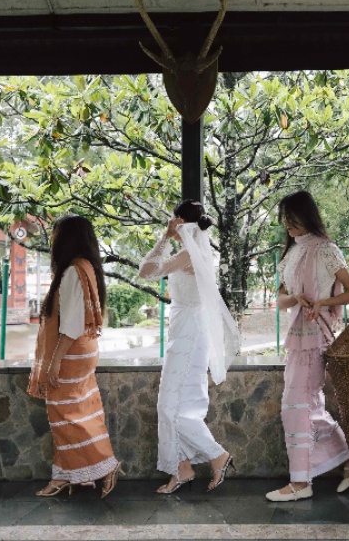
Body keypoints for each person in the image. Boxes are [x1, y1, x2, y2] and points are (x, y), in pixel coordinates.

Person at [139, 200, 241, 494]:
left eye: (174, 220)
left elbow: (146, 272)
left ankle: (216, 455)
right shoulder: (193, 251)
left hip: (190, 333)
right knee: (176, 405)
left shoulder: (187, 255)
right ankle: (183, 468)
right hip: (185, 329)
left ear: (180, 221)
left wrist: (163, 238)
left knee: (171, 406)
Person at [265, 190, 349, 502]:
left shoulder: (326, 250)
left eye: (292, 218)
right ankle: (346, 458)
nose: (287, 224)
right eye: (285, 219)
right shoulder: (291, 253)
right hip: (296, 338)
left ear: (307, 216)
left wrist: (322, 302)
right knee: (307, 404)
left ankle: (301, 483)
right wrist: (296, 298)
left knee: (295, 405)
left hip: (317, 336)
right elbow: (280, 301)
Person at [27, 215, 122, 498]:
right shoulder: (88, 268)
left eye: (56, 235)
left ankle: (103, 466)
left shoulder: (71, 272)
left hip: (70, 352)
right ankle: (75, 476)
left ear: (66, 239)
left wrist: (54, 362)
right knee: (81, 412)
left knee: (65, 416)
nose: (53, 241)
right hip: (85, 350)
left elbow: (70, 324)